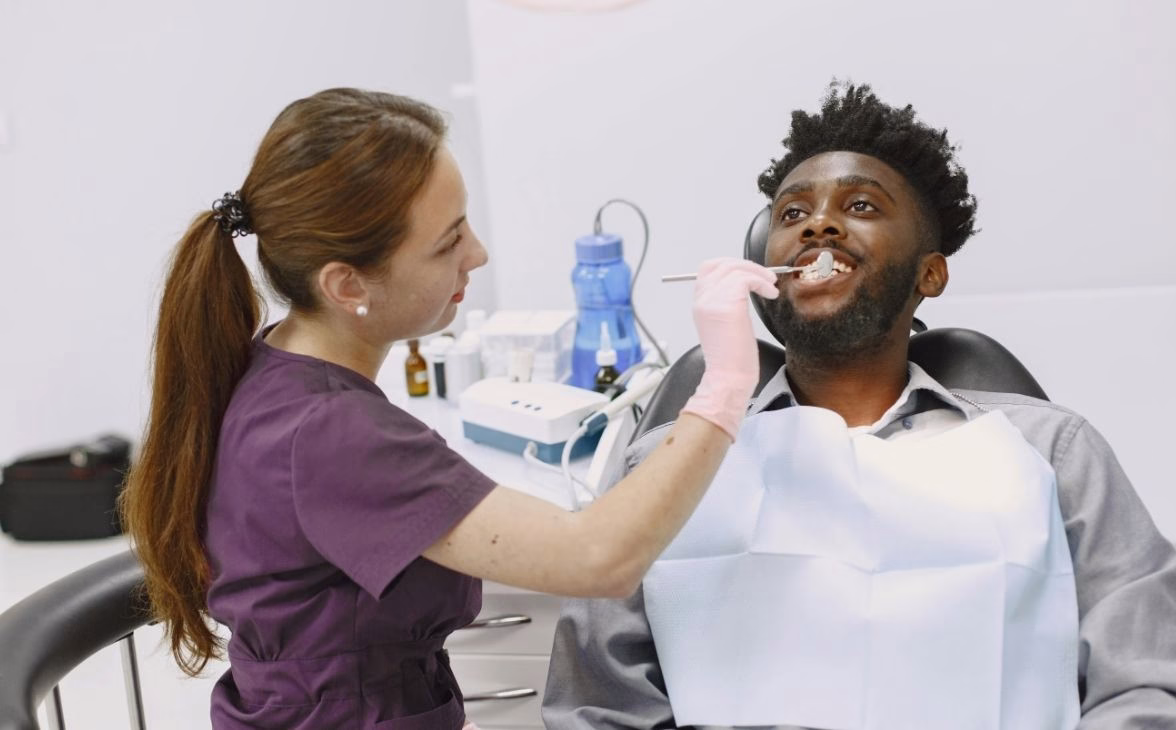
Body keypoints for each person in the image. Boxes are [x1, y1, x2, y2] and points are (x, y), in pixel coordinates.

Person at [542, 82, 1176, 729]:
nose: (818, 225)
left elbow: (1148, 689)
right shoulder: (662, 466)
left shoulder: (1056, 454)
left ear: (931, 272)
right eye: (792, 214)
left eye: (861, 206)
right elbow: (598, 708)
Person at [117, 88, 779, 730]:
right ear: (347, 285)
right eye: (448, 242)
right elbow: (599, 558)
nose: (478, 255)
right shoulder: (333, 434)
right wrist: (725, 382)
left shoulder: (272, 368)